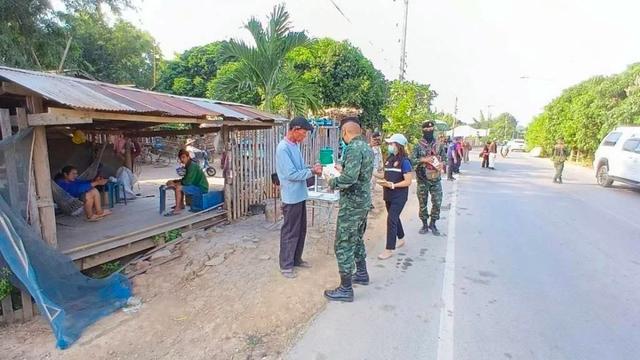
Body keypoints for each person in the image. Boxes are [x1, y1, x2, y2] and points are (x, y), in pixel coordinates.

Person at [323, 119, 373, 302]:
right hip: (363, 202)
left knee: (343, 243)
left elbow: (350, 179)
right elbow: (358, 173)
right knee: (357, 238)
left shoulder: (352, 148)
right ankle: (361, 273)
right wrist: (342, 169)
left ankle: (345, 289)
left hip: (352, 204)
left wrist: (332, 181)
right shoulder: (366, 147)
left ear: (345, 132)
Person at [275, 117, 323, 279]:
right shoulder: (283, 148)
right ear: (294, 130)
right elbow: (291, 174)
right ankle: (286, 265)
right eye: (302, 134)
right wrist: (312, 172)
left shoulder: (294, 145)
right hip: (291, 197)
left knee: (301, 229)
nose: (304, 137)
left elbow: (300, 168)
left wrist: (311, 168)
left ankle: (296, 259)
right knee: (290, 231)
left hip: (300, 194)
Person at [375, 134, 413, 260]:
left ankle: (389, 249)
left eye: (392, 144)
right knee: (394, 217)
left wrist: (393, 185)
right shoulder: (389, 159)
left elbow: (408, 181)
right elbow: (384, 176)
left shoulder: (405, 162)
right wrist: (372, 173)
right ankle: (401, 238)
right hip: (388, 194)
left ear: (398, 145)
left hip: (399, 196)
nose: (390, 146)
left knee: (391, 219)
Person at [412, 121, 446, 236]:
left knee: (437, 202)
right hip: (422, 179)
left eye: (430, 130)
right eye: (426, 130)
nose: (428, 132)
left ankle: (433, 223)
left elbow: (445, 159)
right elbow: (411, 160)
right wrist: (423, 160)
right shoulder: (418, 145)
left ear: (433, 130)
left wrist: (442, 164)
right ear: (423, 130)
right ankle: (425, 224)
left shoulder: (439, 144)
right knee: (423, 203)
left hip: (435, 179)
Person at [165, 149, 209, 215]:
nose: (182, 160)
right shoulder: (188, 165)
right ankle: (181, 205)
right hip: (195, 186)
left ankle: (177, 209)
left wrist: (175, 183)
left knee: (178, 187)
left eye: (183, 157)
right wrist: (175, 182)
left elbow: (187, 182)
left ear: (188, 157)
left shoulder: (192, 166)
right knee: (177, 186)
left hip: (201, 188)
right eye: (181, 158)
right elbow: (185, 179)